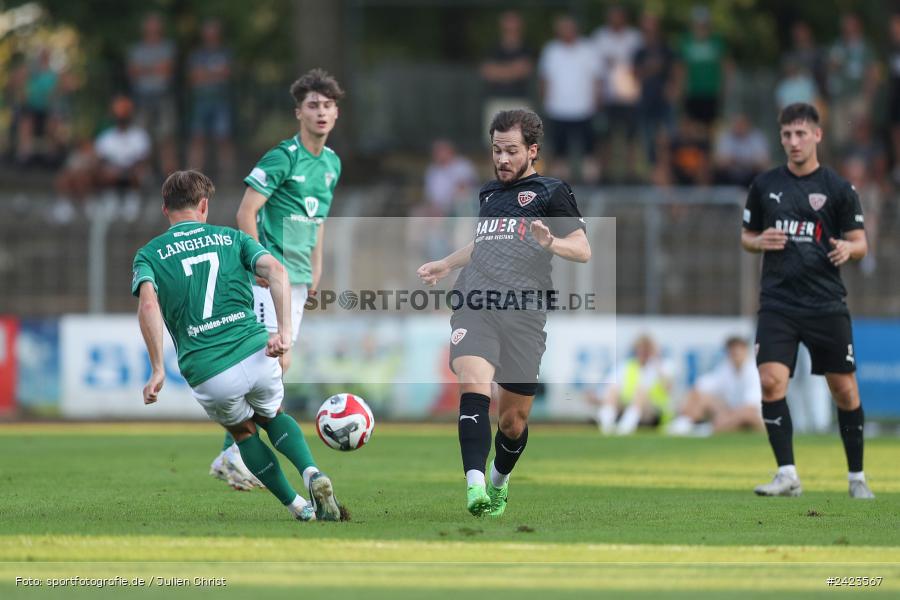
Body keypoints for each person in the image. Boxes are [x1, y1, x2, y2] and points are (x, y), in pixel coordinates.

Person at [133, 170, 343, 521]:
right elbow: (278, 271)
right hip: (256, 350)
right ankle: (311, 472)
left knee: (244, 433)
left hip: (209, 369)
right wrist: (283, 332)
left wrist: (157, 368)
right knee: (273, 416)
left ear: (164, 208)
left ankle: (299, 507)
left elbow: (149, 306)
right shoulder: (232, 238)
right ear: (204, 206)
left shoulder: (149, 255)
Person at [417, 109, 591, 517]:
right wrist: (446, 264)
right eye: (496, 150)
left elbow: (582, 249)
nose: (502, 159)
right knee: (473, 384)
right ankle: (475, 486)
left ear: (532, 151)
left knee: (513, 422)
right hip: (475, 303)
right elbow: (486, 243)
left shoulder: (551, 191)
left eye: (511, 150)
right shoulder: (488, 193)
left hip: (524, 314)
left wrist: (551, 243)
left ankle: (497, 481)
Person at [208, 69, 343, 487]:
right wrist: (258, 263)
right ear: (298, 112)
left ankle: (232, 455)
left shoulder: (332, 163)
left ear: (336, 113)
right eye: (313, 105)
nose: (321, 112)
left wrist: (317, 268)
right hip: (272, 276)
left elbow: (318, 220)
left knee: (275, 367)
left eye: (327, 105)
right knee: (270, 360)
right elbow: (246, 212)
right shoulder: (283, 157)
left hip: (299, 277)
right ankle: (234, 455)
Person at [741, 102, 873, 499]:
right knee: (770, 382)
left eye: (801, 133)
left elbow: (861, 243)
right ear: (781, 138)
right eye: (787, 134)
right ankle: (787, 474)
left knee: (845, 391)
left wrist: (849, 250)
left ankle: (857, 477)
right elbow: (747, 237)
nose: (794, 141)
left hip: (825, 303)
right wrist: (759, 242)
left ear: (817, 135)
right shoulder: (764, 185)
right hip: (778, 302)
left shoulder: (838, 188)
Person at [537, 15, 601, 183]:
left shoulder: (588, 49)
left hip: (585, 109)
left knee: (589, 153)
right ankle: (560, 189)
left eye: (569, 28)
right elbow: (544, 79)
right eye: (563, 28)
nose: (567, 31)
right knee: (559, 154)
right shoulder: (551, 50)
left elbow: (597, 79)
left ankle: (590, 187)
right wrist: (546, 102)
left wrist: (596, 102)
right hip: (557, 109)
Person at [667, 337, 763, 436]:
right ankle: (685, 422)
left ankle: (710, 428)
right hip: (731, 412)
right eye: (732, 350)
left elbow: (751, 407)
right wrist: (690, 399)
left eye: (738, 350)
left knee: (747, 414)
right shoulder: (725, 368)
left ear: (745, 350)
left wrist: (726, 418)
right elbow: (702, 385)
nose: (735, 353)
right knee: (701, 396)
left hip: (755, 416)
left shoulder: (753, 371)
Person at [593, 334, 674, 435]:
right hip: (627, 409)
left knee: (641, 393)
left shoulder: (664, 366)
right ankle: (606, 426)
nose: (644, 352)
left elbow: (668, 388)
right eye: (641, 349)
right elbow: (609, 389)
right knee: (613, 390)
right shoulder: (625, 366)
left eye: (647, 349)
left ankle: (625, 428)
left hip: (654, 412)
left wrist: (657, 365)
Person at [127, 13, 177, 176]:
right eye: (149, 24)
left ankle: (170, 177)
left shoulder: (167, 47)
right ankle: (142, 176)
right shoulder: (136, 49)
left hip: (163, 96)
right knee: (141, 138)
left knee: (166, 137)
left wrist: (144, 69)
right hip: (141, 97)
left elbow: (167, 70)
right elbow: (133, 72)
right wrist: (155, 68)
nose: (152, 28)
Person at [188, 18, 235, 176]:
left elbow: (226, 73)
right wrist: (216, 73)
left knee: (223, 138)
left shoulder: (225, 53)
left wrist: (205, 74)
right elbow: (194, 78)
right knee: (198, 137)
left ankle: (228, 175)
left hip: (221, 100)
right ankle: (193, 175)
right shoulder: (197, 55)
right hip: (201, 100)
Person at [94, 95, 151, 222]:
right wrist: (112, 170)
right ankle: (111, 198)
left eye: (125, 113)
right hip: (112, 172)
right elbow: (101, 160)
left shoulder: (140, 135)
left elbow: (142, 159)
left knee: (140, 171)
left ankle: (132, 199)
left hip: (132, 171)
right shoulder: (106, 137)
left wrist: (125, 170)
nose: (122, 117)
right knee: (102, 172)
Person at [479, 11, 534, 136]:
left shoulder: (527, 48)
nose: (511, 26)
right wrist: (513, 70)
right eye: (508, 22)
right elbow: (487, 72)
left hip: (520, 101)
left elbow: (524, 70)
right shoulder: (492, 48)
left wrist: (499, 71)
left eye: (514, 22)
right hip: (495, 100)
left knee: (521, 141)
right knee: (496, 141)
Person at [713, 113, 770, 187]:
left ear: (748, 125)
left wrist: (736, 161)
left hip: (751, 175)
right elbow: (721, 162)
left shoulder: (757, 137)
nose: (739, 127)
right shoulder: (726, 137)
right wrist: (748, 161)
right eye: (737, 124)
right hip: (730, 175)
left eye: (742, 124)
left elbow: (763, 162)